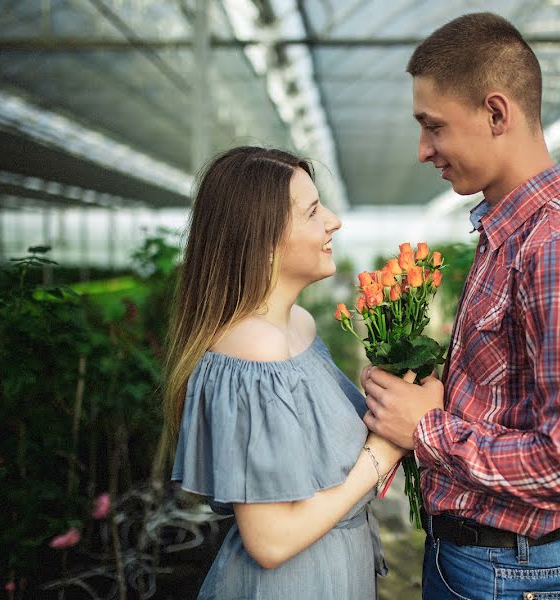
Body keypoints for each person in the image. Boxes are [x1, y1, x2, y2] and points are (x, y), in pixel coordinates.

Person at [361, 13, 560, 600]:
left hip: (510, 575)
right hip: (480, 561)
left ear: (496, 113)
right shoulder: (511, 235)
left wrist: (427, 431)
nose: (422, 150)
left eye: (433, 126)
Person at [165, 146, 406, 599]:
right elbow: (270, 541)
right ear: (262, 237)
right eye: (313, 211)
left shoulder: (297, 327)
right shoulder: (255, 348)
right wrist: (385, 451)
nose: (334, 220)